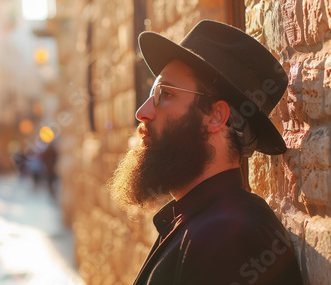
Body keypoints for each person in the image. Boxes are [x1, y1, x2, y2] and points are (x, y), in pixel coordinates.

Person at [108, 20, 304, 285]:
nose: (142, 112)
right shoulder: (199, 220)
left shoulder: (227, 237)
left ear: (215, 116)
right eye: (151, 94)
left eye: (165, 94)